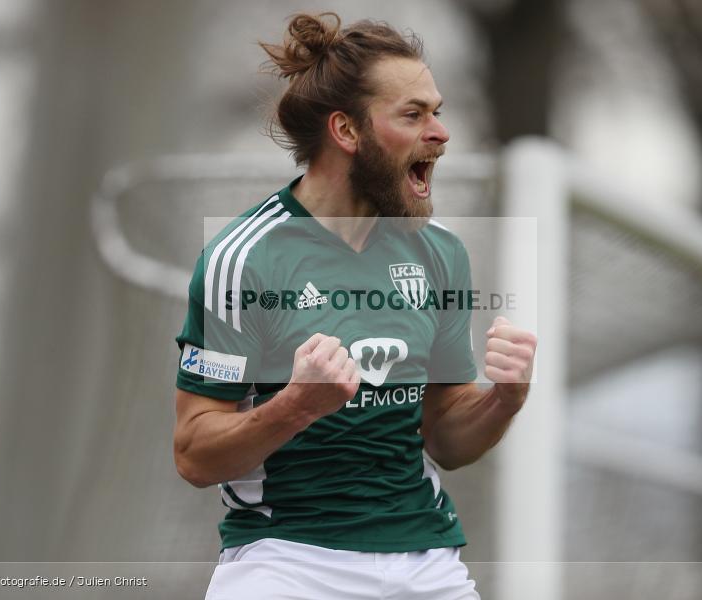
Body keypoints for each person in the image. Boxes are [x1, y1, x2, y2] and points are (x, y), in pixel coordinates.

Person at [173, 12, 537, 600]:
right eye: (414, 114)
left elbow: (445, 436)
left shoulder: (438, 253)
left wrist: (504, 399)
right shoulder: (244, 260)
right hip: (286, 560)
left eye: (437, 112)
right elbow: (193, 454)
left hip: (425, 560)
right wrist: (295, 405)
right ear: (346, 131)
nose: (441, 133)